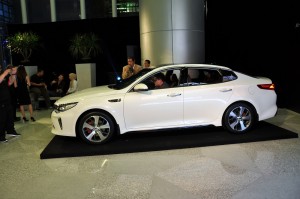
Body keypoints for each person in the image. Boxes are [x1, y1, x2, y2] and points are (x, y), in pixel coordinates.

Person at [0, 65, 21, 143]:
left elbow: (10, 83)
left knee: (10, 117)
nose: (0, 68)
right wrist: (6, 72)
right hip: (1, 101)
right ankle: (1, 137)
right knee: (2, 119)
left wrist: (13, 74)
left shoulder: (2, 74)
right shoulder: (3, 74)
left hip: (7, 100)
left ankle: (10, 130)